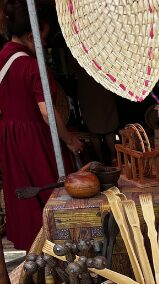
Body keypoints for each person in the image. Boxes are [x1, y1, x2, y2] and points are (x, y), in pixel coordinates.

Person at [0, 0, 82, 250]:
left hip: (10, 136)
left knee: (25, 198)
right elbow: (47, 112)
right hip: (34, 139)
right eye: (42, 37)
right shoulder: (32, 66)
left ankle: (34, 253)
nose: (44, 43)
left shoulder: (2, 56)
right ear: (29, 34)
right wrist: (70, 141)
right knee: (53, 196)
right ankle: (57, 250)